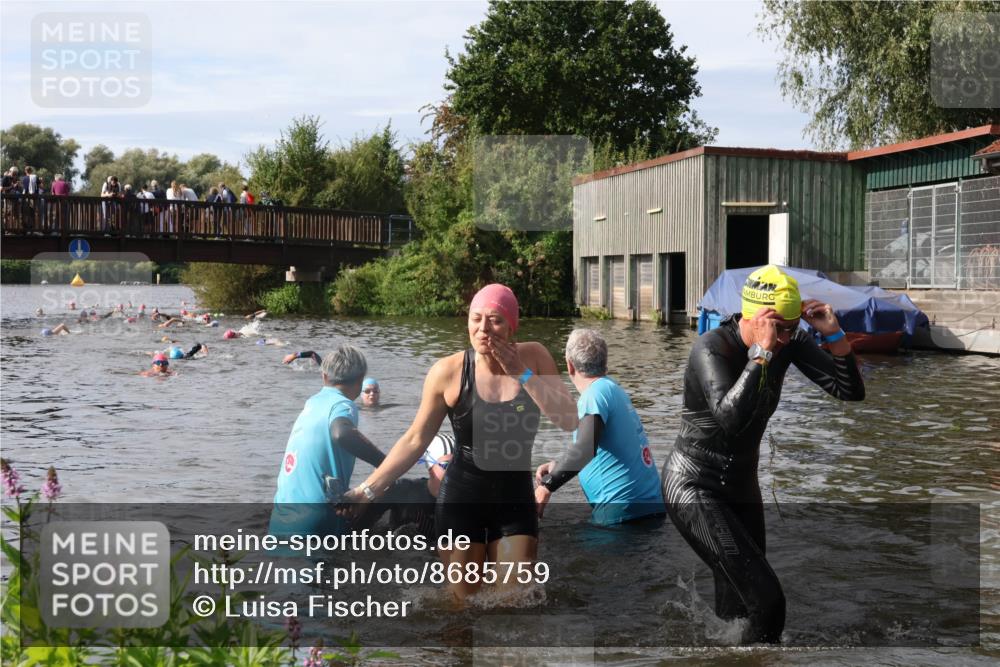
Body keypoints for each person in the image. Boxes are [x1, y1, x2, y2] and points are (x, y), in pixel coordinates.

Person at [663, 265, 865, 644]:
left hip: (740, 486)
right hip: (694, 486)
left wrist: (834, 336)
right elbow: (730, 419)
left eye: (793, 328)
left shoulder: (788, 341)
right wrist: (760, 355)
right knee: (769, 602)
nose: (788, 337)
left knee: (740, 603)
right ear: (754, 317)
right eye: (780, 327)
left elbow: (849, 391)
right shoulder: (711, 348)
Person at [339, 283, 578, 602]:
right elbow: (415, 439)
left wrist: (521, 373)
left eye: (494, 320)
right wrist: (366, 490)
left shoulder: (534, 357)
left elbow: (568, 419)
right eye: (475, 318)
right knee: (461, 607)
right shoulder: (448, 372)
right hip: (462, 499)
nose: (483, 329)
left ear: (511, 325)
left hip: (514, 498)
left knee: (514, 602)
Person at [534, 329, 664, 526]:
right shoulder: (612, 389)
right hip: (651, 506)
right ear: (605, 362)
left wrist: (547, 486)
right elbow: (601, 449)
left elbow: (585, 448)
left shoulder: (594, 395)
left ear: (569, 365)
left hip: (622, 512)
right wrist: (557, 468)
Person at [270, 345, 388, 537]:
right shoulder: (343, 404)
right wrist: (386, 465)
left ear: (324, 377)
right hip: (317, 517)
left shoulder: (312, 403)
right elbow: (341, 433)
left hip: (281, 516)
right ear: (360, 381)